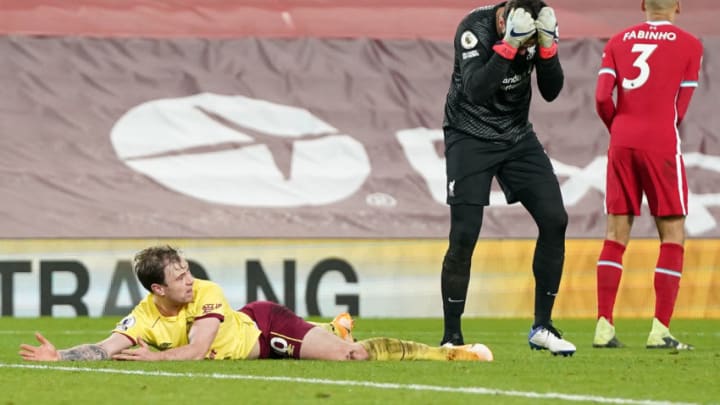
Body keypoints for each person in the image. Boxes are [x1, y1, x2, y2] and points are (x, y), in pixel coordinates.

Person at [19, 245, 493, 362]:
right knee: (339, 345)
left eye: (187, 269)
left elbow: (198, 352)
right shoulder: (145, 316)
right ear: (156, 290)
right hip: (255, 338)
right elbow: (108, 344)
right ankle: (336, 328)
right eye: (178, 276)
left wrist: (157, 355)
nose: (189, 278)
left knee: (354, 357)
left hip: (266, 329)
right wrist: (60, 355)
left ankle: (452, 352)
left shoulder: (206, 293)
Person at [439, 0, 575, 356]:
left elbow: (551, 90)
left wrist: (547, 49)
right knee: (464, 235)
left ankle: (542, 327)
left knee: (555, 219)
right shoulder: (476, 28)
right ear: (505, 19)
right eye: (524, 39)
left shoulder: (534, 29)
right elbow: (475, 89)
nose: (525, 47)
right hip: (469, 135)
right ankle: (451, 335)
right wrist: (509, 45)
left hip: (516, 136)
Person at [592, 0, 702, 350]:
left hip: (621, 141)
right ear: (678, 6)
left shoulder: (618, 40)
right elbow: (680, 107)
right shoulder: (690, 44)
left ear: (642, 5)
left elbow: (600, 98)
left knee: (615, 233)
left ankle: (603, 326)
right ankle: (659, 330)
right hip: (660, 141)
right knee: (672, 235)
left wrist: (620, 128)